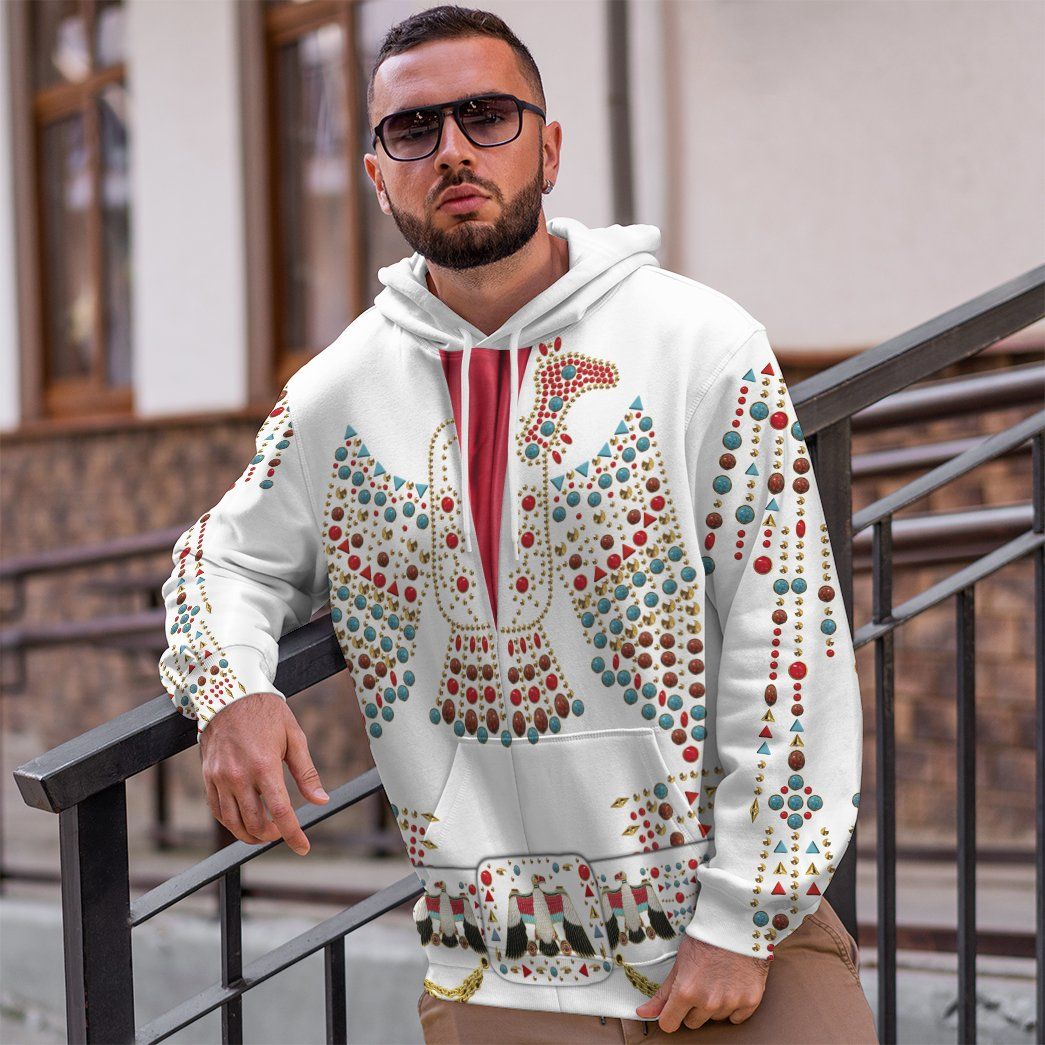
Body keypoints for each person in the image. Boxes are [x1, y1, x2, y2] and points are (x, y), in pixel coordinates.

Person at [158, 5, 878, 1042]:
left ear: (548, 147)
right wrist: (233, 690)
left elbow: (787, 629)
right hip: (500, 973)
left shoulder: (700, 345)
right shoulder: (335, 395)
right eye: (413, 129)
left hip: (731, 942)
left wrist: (741, 912)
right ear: (377, 175)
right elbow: (222, 558)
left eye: (487, 115)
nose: (452, 149)